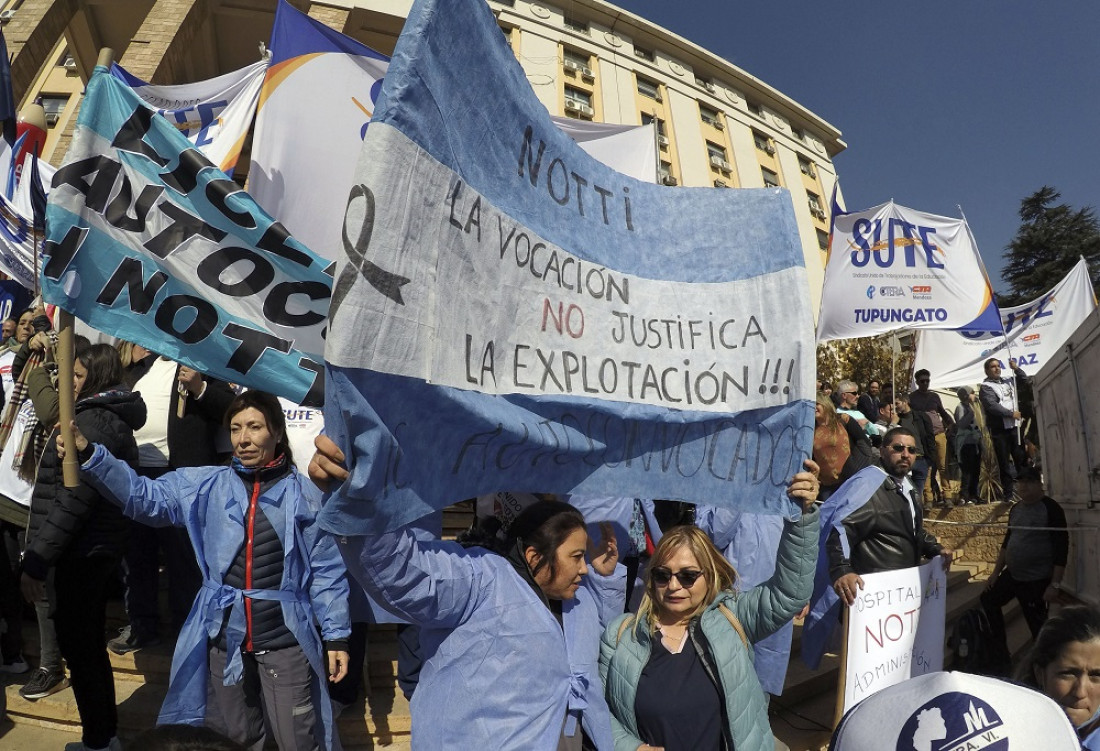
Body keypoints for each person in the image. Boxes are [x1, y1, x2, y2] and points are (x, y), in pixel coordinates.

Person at [60, 391, 351, 751]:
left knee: (299, 740)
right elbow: (143, 497)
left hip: (284, 643)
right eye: (235, 428)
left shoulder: (306, 497)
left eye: (254, 427)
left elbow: (326, 571)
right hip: (222, 639)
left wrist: (337, 635)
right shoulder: (205, 485)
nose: (243, 439)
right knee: (234, 739)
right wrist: (91, 455)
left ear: (277, 432)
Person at [599, 465, 820, 751]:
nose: (674, 585)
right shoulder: (621, 636)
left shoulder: (733, 617)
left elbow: (790, 593)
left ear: (710, 575)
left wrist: (801, 517)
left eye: (688, 576)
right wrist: (631, 747)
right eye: (662, 575)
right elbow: (599, 710)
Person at [20, 344, 145, 751]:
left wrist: (38, 559)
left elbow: (74, 499)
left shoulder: (94, 422)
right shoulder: (97, 416)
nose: (69, 383)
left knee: (83, 650)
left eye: (77, 376)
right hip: (86, 550)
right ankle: (102, 735)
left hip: (82, 552)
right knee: (85, 648)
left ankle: (99, 739)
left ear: (98, 377)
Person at [109, 344, 235, 654]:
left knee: (183, 561)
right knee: (138, 557)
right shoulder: (142, 367)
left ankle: (187, 632)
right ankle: (143, 626)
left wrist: (199, 387)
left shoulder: (202, 364)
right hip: (138, 476)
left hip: (180, 480)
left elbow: (231, 411)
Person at [826, 427, 952, 608]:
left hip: (902, 591)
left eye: (911, 450)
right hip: (873, 595)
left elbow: (910, 529)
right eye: (898, 448)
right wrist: (842, 570)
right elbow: (840, 530)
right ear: (883, 451)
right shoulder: (868, 486)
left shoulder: (908, 486)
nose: (905, 454)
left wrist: (935, 548)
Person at [981, 466, 1068, 657]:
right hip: (1013, 575)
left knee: (1038, 628)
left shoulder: (1051, 508)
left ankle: (1042, 669)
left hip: (1035, 580)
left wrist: (1054, 584)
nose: (1023, 486)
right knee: (988, 600)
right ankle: (1000, 651)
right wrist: (995, 573)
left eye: (1028, 482)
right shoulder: (1016, 508)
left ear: (1039, 484)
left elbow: (1061, 548)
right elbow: (1008, 541)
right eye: (1020, 482)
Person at [1017, 606, 1100, 749]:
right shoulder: (1007, 731)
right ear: (1040, 674)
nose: (1080, 692)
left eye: (1096, 676)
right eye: (1068, 674)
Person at [979, 357, 1027, 502]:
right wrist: (1010, 414)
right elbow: (991, 405)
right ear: (987, 370)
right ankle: (1008, 494)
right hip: (1000, 430)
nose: (997, 368)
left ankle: (1026, 490)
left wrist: (1016, 369)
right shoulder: (986, 386)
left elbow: (1025, 381)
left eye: (999, 366)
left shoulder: (1008, 380)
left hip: (1014, 428)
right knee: (1004, 463)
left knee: (1021, 460)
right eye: (993, 367)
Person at [814, 392, 873, 502]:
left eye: (817, 404)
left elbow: (864, 443)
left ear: (825, 404)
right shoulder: (810, 429)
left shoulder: (843, 420)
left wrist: (857, 468)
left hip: (850, 481)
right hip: (826, 487)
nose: (813, 408)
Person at [908, 370, 954, 507]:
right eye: (922, 381)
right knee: (926, 467)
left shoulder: (934, 396)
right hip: (923, 437)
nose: (925, 383)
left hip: (939, 434)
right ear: (917, 382)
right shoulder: (912, 398)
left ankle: (948, 496)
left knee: (943, 465)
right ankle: (928, 498)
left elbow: (943, 412)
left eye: (927, 380)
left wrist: (951, 425)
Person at [894, 395, 936, 508]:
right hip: (906, 460)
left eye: (897, 403)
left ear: (905, 402)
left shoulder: (921, 417)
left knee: (918, 495)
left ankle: (917, 521)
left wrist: (930, 459)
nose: (895, 407)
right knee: (907, 493)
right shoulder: (897, 420)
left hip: (922, 459)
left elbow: (930, 437)